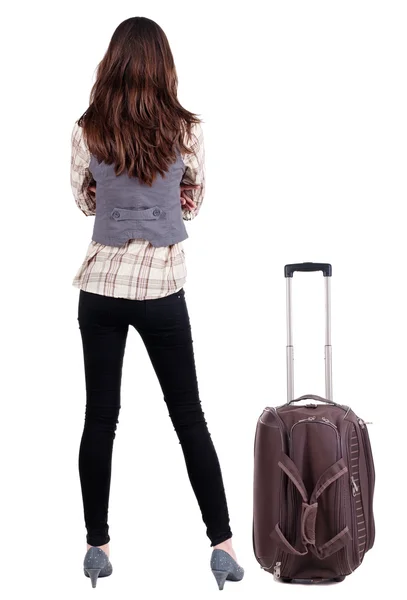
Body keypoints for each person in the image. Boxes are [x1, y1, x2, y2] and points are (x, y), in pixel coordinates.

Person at [70, 16, 244, 591]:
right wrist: (162, 200)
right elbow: (191, 204)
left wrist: (114, 198)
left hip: (100, 288)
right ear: (164, 66)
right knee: (188, 415)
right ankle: (220, 544)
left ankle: (97, 547)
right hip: (162, 290)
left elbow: (82, 199)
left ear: (111, 64)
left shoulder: (87, 129)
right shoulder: (187, 130)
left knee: (100, 418)